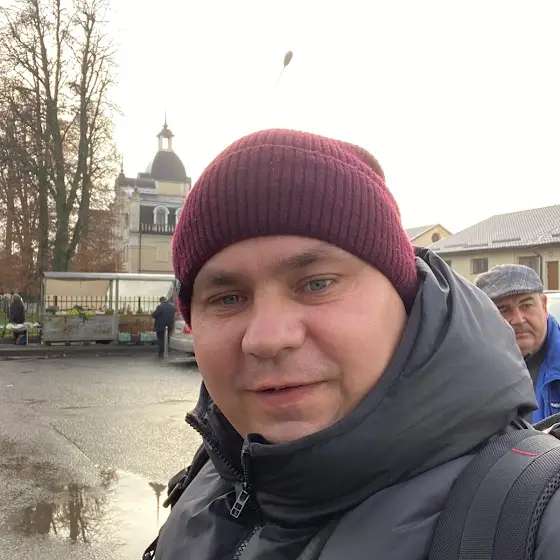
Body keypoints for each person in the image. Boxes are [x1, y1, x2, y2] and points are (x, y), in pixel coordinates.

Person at [151, 129, 560, 559]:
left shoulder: (536, 518)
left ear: (406, 301)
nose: (267, 339)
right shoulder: (211, 477)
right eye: (227, 299)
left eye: (318, 283)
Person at [475, 264, 560, 422]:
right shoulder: (471, 371)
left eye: (526, 305)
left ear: (543, 305)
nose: (518, 319)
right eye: (503, 310)